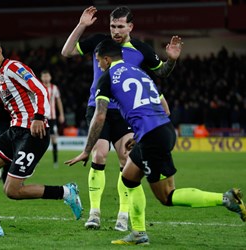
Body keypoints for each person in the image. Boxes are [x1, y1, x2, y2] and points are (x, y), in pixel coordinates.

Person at [65, 39, 246, 245]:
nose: (98, 65)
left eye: (98, 61)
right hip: (163, 129)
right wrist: (141, 134)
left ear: (106, 59)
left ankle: (225, 199)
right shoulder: (141, 73)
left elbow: (99, 117)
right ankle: (138, 233)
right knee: (128, 178)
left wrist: (86, 150)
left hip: (153, 137)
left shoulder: (106, 79)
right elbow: (165, 109)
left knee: (167, 196)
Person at [61, 5, 182, 231]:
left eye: (120, 26)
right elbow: (67, 52)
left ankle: (123, 215)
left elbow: (162, 72)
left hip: (126, 112)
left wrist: (172, 60)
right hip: (98, 107)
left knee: (127, 159)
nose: (115, 31)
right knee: (99, 154)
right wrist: (81, 25)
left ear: (130, 26)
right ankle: (94, 213)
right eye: (112, 26)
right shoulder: (100, 42)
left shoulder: (141, 49)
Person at [0, 33, 82, 237]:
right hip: (15, 131)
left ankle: (66, 192)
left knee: (12, 191)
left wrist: (39, 117)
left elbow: (40, 89)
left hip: (32, 133)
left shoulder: (13, 67)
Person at [40, 70, 65, 168]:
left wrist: (61, 114)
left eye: (47, 76)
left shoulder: (54, 88)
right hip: (41, 117)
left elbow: (58, 101)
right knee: (39, 139)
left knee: (54, 139)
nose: (46, 78)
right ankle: (36, 160)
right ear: (42, 78)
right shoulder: (39, 87)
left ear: (50, 77)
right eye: (44, 76)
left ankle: (55, 161)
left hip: (52, 118)